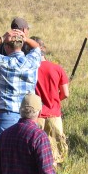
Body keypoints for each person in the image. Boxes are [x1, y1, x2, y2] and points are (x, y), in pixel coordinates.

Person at [0, 29, 43, 139]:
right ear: (22, 44)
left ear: (6, 46)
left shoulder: (2, 61)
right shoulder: (31, 62)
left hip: (7, 115)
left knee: (4, 152)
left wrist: (1, 38)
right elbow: (37, 47)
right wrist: (25, 38)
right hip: (29, 114)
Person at [32, 37, 70, 165]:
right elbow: (65, 93)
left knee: (37, 150)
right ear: (44, 49)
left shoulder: (30, 69)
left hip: (36, 115)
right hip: (54, 113)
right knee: (57, 151)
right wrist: (54, 101)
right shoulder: (56, 68)